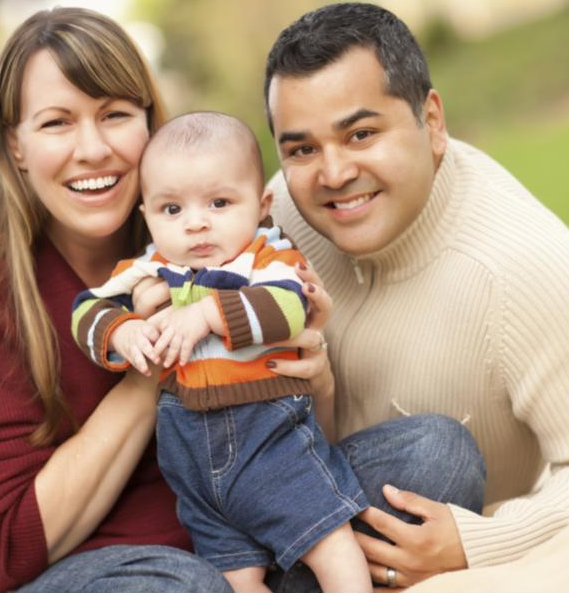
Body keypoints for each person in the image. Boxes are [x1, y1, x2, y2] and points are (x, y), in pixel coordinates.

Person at [0, 5, 485, 593]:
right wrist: (163, 354)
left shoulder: (217, 234)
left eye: (114, 114)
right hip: (114, 575)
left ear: (149, 122)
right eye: (57, 123)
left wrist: (314, 380)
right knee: (183, 584)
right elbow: (12, 547)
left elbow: (295, 444)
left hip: (250, 526)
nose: (92, 148)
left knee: (434, 454)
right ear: (15, 145)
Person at [264, 2, 569, 591]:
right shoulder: (279, 218)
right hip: (287, 510)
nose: (333, 174)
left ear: (431, 121)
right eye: (302, 149)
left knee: (437, 453)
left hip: (402, 524)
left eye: (361, 134)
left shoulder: (523, 267)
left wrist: (479, 541)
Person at [72, 111, 373, 593]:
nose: (196, 224)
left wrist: (208, 314)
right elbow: (86, 309)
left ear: (260, 205)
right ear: (147, 216)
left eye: (219, 203)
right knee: (232, 576)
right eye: (172, 209)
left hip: (271, 443)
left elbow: (289, 307)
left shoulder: (265, 256)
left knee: (329, 539)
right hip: (192, 466)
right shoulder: (152, 267)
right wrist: (122, 331)